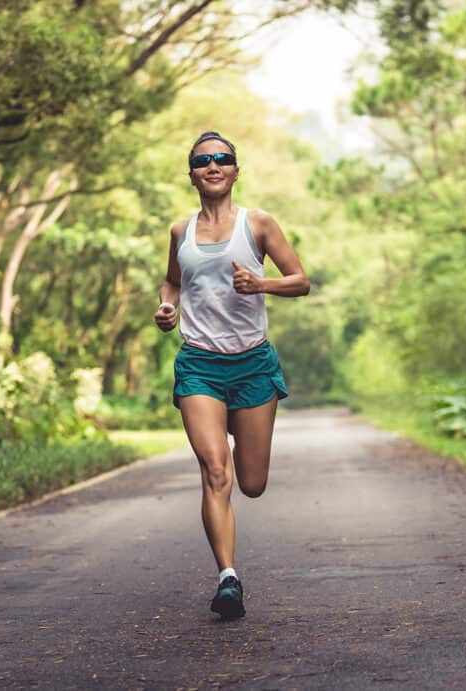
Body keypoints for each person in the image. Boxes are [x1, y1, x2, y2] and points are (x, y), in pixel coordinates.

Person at [154, 131, 310, 619]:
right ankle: (228, 579)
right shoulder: (180, 232)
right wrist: (165, 306)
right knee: (214, 469)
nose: (213, 166)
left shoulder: (258, 224)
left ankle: (243, 437)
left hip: (252, 364)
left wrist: (261, 283)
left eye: (222, 159)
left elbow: (300, 280)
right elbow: (172, 282)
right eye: (203, 161)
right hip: (199, 362)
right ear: (192, 174)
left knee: (252, 481)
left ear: (236, 170)